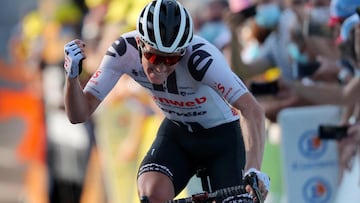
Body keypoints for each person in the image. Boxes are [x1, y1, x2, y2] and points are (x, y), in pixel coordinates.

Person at [62, 1, 270, 203]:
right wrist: (71, 79)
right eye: (154, 57)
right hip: (178, 132)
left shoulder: (201, 59)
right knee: (152, 193)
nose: (161, 67)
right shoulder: (123, 52)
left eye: (170, 59)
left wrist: (253, 169)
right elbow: (79, 114)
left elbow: (252, 109)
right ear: (140, 44)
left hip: (223, 138)